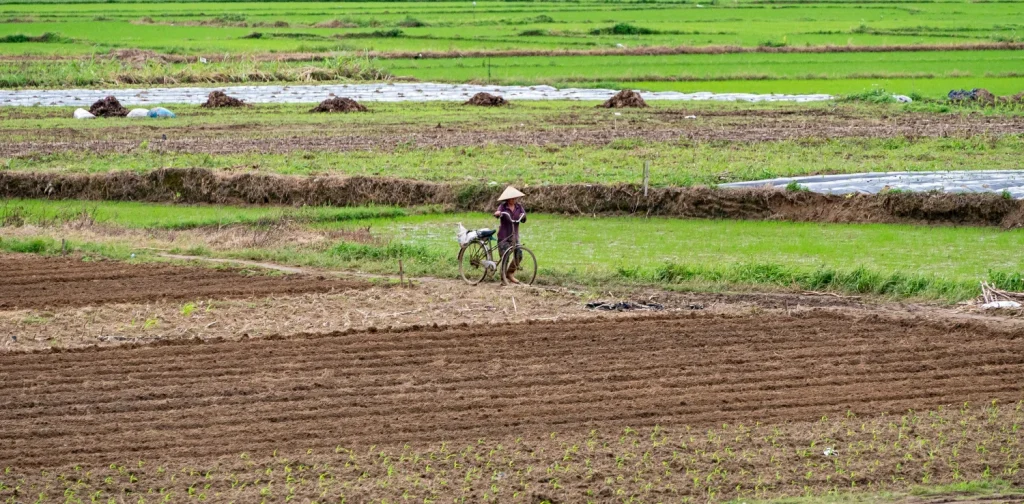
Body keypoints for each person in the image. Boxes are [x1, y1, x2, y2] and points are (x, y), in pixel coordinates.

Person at [493, 186, 526, 284]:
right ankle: (503, 277)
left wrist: (522, 216)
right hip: (504, 236)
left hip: (514, 236)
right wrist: (498, 213)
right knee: (505, 256)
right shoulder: (503, 207)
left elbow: (524, 217)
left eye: (515, 198)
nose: (513, 200)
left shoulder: (519, 207)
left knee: (519, 254)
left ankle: (510, 273)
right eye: (511, 198)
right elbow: (497, 213)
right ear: (507, 199)